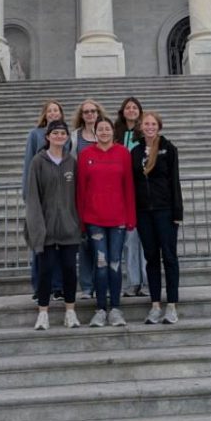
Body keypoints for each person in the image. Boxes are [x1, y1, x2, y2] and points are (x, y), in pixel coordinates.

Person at [76, 116, 136, 327]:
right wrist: (81, 221)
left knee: (115, 263)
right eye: (100, 129)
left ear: (113, 132)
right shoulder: (85, 155)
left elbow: (129, 186)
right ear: (95, 133)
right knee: (101, 264)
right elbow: (80, 190)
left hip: (118, 219)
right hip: (94, 219)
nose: (103, 132)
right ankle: (101, 308)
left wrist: (131, 218)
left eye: (107, 129)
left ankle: (116, 309)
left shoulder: (123, 153)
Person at [24, 119, 81, 330]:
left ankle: (70, 311)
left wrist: (76, 222)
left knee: (68, 270)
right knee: (46, 270)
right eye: (55, 133)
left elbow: (77, 195)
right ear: (47, 137)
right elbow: (33, 198)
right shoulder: (38, 162)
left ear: (67, 137)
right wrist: (37, 229)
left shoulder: (71, 162)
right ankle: (43, 313)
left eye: (62, 133)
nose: (59, 136)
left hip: (68, 227)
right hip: (46, 228)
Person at [131, 111, 183, 325]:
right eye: (146, 124)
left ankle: (171, 305)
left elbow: (174, 181)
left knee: (169, 258)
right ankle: (154, 305)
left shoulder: (168, 149)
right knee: (151, 258)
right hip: (143, 212)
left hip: (165, 211)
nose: (150, 127)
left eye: (153, 124)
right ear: (141, 127)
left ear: (158, 126)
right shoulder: (134, 152)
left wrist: (177, 213)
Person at [23, 100, 68, 299]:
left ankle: (58, 285)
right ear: (45, 114)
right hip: (40, 195)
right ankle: (40, 286)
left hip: (61, 196)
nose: (53, 113)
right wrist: (28, 193)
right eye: (49, 111)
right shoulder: (36, 135)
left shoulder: (65, 134)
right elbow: (28, 163)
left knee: (59, 243)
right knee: (39, 242)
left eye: (56, 110)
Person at [70, 98, 106, 297]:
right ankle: (86, 285)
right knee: (84, 242)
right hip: (82, 194)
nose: (90, 114)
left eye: (93, 111)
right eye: (86, 112)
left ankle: (103, 283)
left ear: (98, 113)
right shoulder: (75, 137)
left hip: (104, 194)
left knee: (103, 241)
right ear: (81, 116)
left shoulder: (105, 132)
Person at [114, 96, 148, 297]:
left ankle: (145, 281)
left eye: (135, 107)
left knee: (145, 241)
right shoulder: (116, 132)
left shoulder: (145, 133)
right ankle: (133, 281)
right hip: (122, 193)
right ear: (123, 111)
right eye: (128, 107)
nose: (132, 110)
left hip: (141, 192)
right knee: (129, 240)